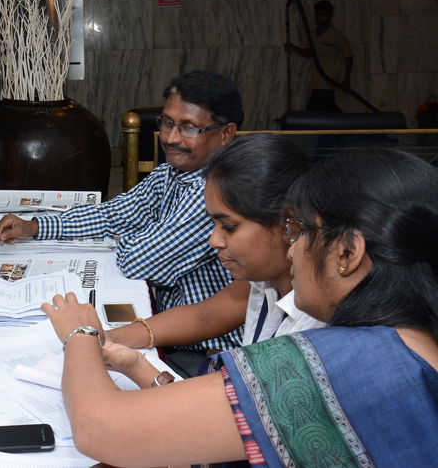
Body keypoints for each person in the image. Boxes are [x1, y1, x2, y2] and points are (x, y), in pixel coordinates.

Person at [42, 148, 438, 467]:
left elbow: (99, 428)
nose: (292, 249)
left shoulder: (339, 361)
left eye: (301, 232)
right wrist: (140, 367)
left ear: (347, 253)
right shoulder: (407, 344)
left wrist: (80, 333)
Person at [0, 70, 243, 376]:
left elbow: (138, 261)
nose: (171, 138)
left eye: (189, 128)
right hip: (167, 326)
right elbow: (112, 214)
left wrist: (133, 232)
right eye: (167, 123)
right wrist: (35, 226)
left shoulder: (216, 191)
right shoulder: (172, 173)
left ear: (226, 134)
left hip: (206, 353)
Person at [105, 133, 323, 381]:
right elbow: (205, 315)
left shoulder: (313, 327)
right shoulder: (267, 278)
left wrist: (136, 367)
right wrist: (111, 337)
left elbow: (232, 404)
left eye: (229, 226)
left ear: (290, 224)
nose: (214, 240)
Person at [284, 0, 354, 112]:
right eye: (317, 14)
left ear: (330, 16)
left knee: (313, 114)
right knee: (324, 112)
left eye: (323, 15)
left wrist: (347, 78)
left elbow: (349, 55)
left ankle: (349, 122)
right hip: (317, 83)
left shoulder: (336, 34)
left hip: (328, 82)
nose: (318, 18)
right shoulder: (313, 33)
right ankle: (348, 122)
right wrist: (294, 48)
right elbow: (310, 53)